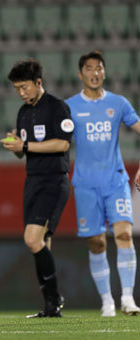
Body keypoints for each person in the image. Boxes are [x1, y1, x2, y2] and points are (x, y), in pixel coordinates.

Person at [66, 50, 140, 317]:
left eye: (99, 68)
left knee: (123, 235)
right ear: (80, 74)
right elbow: (58, 140)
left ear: (104, 72)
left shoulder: (118, 103)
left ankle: (128, 298)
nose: (94, 72)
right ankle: (107, 300)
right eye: (89, 68)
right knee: (97, 243)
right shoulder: (70, 106)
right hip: (85, 184)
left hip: (115, 181)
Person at [1, 59, 73, 318]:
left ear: (38, 83)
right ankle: (50, 306)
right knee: (43, 243)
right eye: (17, 88)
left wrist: (26, 147)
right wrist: (17, 146)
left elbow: (62, 145)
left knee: (32, 239)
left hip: (54, 179)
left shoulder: (57, 107)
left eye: (24, 87)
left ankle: (55, 297)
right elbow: (24, 153)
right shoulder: (23, 112)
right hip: (32, 179)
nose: (21, 92)